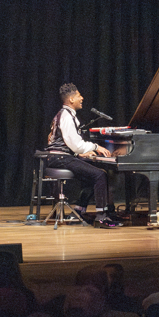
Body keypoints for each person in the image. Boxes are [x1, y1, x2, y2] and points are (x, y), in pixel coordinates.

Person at [45, 83, 122, 227]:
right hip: (60, 158)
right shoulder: (66, 116)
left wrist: (81, 153)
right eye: (79, 95)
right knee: (100, 175)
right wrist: (96, 146)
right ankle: (101, 217)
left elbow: (72, 145)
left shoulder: (66, 114)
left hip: (62, 156)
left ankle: (78, 212)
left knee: (91, 175)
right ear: (71, 100)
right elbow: (75, 144)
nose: (82, 98)